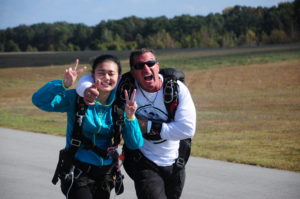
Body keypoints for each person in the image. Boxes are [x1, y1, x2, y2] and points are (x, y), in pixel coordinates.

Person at [76, 48, 196, 199]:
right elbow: (92, 78)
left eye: (150, 63)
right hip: (144, 161)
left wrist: (147, 125)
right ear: (133, 71)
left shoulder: (177, 89)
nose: (146, 68)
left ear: (157, 66)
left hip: (176, 161)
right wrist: (87, 89)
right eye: (139, 66)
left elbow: (187, 129)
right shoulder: (127, 87)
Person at [32, 55, 143, 199]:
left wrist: (130, 117)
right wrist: (63, 84)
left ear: (119, 77)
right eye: (101, 73)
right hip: (78, 172)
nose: (106, 78)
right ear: (93, 75)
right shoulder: (77, 99)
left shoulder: (122, 104)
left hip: (106, 174)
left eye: (111, 73)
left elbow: (134, 144)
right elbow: (39, 100)